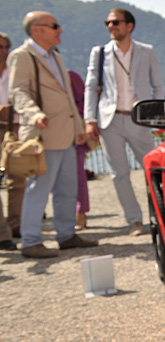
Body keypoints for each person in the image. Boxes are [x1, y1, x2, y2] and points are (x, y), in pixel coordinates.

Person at [8, 12, 96, 258]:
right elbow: (18, 92)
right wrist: (33, 113)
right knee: (39, 190)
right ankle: (30, 241)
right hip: (42, 135)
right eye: (54, 26)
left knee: (68, 188)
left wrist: (78, 129)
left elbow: (68, 97)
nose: (60, 30)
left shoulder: (55, 56)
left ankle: (67, 235)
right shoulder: (22, 56)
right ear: (38, 30)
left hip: (65, 135)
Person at [84, 8, 163, 236]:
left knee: (153, 169)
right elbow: (91, 86)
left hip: (140, 119)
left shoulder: (147, 51)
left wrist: (156, 115)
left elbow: (157, 85)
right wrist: (90, 119)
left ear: (129, 26)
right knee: (119, 173)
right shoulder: (99, 53)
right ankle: (135, 220)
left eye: (116, 22)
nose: (111, 26)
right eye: (108, 23)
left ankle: (159, 215)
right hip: (110, 118)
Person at [0, 31, 23, 248]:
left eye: (6, 46)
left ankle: (16, 225)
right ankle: (2, 233)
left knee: (18, 180)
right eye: (0, 47)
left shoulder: (15, 69)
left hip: (14, 126)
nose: (4, 51)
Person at [67, 70, 90, 230]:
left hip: (74, 134)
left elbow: (85, 103)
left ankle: (80, 214)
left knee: (78, 177)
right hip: (51, 135)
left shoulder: (71, 76)